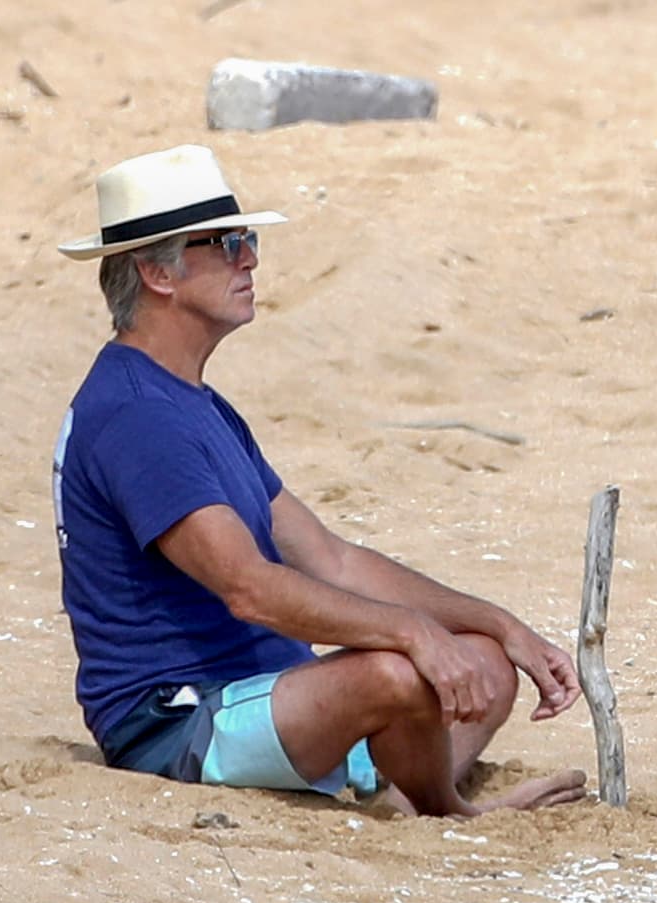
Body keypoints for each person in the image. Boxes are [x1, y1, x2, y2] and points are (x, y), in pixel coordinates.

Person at [53, 144, 587, 817]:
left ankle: (399, 791)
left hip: (268, 693)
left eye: (245, 239)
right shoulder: (136, 414)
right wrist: (411, 633)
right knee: (397, 671)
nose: (249, 258)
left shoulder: (192, 401)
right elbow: (249, 589)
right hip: (178, 724)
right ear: (157, 273)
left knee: (479, 661)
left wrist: (500, 625)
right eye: (225, 243)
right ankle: (444, 815)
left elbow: (330, 559)